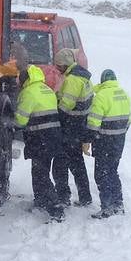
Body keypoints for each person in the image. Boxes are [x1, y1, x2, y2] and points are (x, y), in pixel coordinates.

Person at [14, 63, 65, 221]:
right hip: (53, 138)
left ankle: (55, 207)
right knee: (40, 171)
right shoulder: (47, 89)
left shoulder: (28, 92)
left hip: (40, 139)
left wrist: (11, 123)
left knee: (40, 173)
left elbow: (21, 120)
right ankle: (41, 201)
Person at [86, 68, 131, 219]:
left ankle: (106, 207)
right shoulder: (123, 94)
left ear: (103, 80)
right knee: (112, 171)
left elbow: (93, 123)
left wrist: (89, 138)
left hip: (104, 141)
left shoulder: (101, 96)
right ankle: (118, 203)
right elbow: (128, 120)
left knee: (101, 173)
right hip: (119, 141)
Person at [52, 48, 93, 207]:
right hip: (80, 126)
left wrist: (56, 117)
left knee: (60, 163)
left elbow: (66, 105)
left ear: (64, 65)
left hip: (70, 127)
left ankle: (63, 197)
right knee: (77, 164)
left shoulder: (73, 80)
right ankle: (85, 196)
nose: (56, 68)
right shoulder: (83, 76)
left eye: (58, 65)